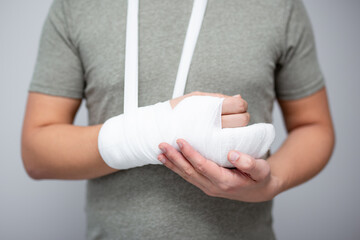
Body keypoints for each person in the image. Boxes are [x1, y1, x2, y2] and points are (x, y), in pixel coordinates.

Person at [21, 0, 335, 239]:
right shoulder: (77, 7)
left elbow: (314, 126)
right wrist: (160, 128)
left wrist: (272, 181)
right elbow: (36, 152)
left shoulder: (278, 7)